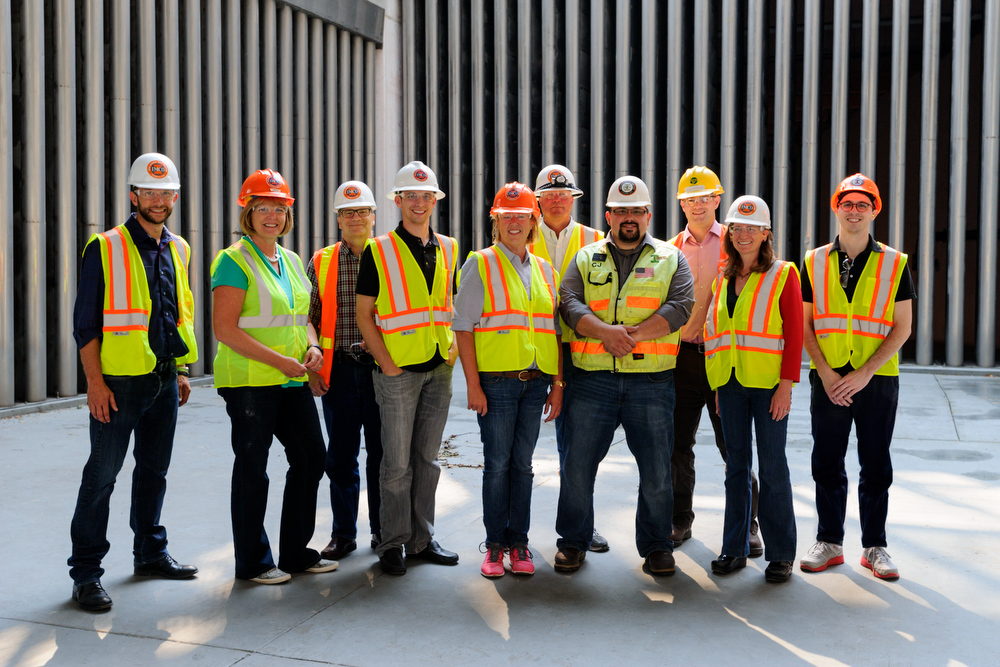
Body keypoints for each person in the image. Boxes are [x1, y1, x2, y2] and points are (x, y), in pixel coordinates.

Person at [69, 152, 199, 611]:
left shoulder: (179, 247)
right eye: (150, 191)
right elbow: (85, 325)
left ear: (175, 197)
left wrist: (180, 370)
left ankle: (149, 551)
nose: (159, 200)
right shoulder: (104, 247)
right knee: (101, 477)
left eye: (166, 193)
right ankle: (85, 574)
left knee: (153, 472)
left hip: (164, 379)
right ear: (133, 195)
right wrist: (95, 384)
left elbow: (173, 314)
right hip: (118, 386)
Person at [555, 176, 694, 576]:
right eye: (621, 211)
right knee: (577, 468)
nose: (628, 217)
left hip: (650, 382)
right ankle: (573, 542)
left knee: (656, 471)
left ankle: (656, 546)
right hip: (591, 381)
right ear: (608, 215)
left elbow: (681, 305)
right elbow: (569, 303)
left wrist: (628, 338)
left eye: (636, 211)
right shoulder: (585, 257)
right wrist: (604, 334)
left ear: (648, 215)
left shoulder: (670, 258)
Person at [211, 169, 338, 584]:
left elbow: (302, 318)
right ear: (247, 213)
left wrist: (313, 345)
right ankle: (252, 562)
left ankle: (296, 553)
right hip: (250, 383)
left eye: (279, 208)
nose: (272, 215)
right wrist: (280, 361)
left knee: (311, 458)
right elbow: (225, 329)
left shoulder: (291, 259)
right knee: (253, 468)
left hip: (291, 380)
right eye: (262, 207)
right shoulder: (233, 260)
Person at [800, 173, 914, 581]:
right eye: (847, 203)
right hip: (828, 378)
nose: (854, 211)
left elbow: (903, 326)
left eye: (862, 204)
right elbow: (806, 323)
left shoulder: (894, 262)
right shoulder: (813, 261)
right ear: (836, 208)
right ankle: (829, 541)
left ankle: (874, 546)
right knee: (827, 461)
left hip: (876, 380)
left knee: (876, 463)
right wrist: (828, 373)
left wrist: (866, 372)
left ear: (874, 210)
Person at [356, 161, 461, 576]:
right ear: (398, 201)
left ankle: (421, 538)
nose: (419, 202)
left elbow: (449, 305)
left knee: (427, 461)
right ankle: (393, 541)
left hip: (439, 368)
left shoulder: (450, 248)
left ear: (434, 200)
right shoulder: (378, 249)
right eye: (411, 196)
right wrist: (387, 363)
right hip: (397, 371)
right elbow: (365, 314)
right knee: (396, 464)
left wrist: (451, 354)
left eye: (426, 196)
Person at [454, 182, 563, 578]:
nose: (514, 224)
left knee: (523, 464)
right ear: (495, 222)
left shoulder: (545, 269)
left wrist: (558, 384)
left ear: (534, 221)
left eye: (521, 217)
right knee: (497, 465)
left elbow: (554, 331)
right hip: (496, 383)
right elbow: (463, 326)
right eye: (506, 217)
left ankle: (520, 544)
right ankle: (495, 546)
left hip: (535, 383)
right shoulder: (479, 263)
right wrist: (473, 385)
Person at [703, 196, 803, 583]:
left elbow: (794, 335)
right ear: (728, 233)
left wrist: (785, 386)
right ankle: (734, 548)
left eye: (752, 228)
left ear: (766, 234)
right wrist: (716, 382)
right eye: (737, 228)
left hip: (767, 387)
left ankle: (781, 554)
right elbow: (718, 332)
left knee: (773, 468)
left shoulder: (783, 273)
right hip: (728, 385)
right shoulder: (723, 274)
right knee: (736, 469)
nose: (743, 235)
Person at [669, 166, 761, 556]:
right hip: (684, 359)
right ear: (681, 204)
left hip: (726, 360)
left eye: (704, 197)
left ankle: (749, 524)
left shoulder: (738, 242)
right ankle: (678, 519)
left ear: (717, 200)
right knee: (677, 445)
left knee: (734, 446)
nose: (697, 205)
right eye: (690, 199)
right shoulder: (670, 249)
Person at [528, 164, 608, 553]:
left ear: (573, 198)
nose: (557, 200)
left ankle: (581, 525)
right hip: (530, 349)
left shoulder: (595, 238)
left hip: (578, 350)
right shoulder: (520, 235)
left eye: (564, 194)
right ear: (538, 200)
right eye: (549, 194)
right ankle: (510, 533)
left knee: (578, 445)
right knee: (516, 447)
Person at [307, 180, 384, 561]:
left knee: (383, 455)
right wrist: (312, 360)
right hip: (337, 370)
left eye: (362, 211)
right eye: (347, 212)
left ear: (374, 216)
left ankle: (384, 531)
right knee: (340, 455)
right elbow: (308, 317)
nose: (355, 218)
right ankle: (343, 534)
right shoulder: (321, 261)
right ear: (338, 219)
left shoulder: (390, 256)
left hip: (382, 371)